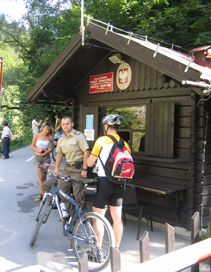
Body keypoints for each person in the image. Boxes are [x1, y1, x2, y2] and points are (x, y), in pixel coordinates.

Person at [87, 114, 132, 250]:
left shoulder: (101, 141)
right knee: (117, 218)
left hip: (104, 182)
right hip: (119, 183)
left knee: (98, 218)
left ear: (106, 127)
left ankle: (98, 249)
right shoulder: (124, 143)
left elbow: (90, 163)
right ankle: (116, 248)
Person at [53, 116, 90, 214]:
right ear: (61, 125)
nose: (65, 126)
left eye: (67, 124)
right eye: (63, 124)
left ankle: (79, 216)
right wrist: (56, 168)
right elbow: (59, 154)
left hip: (78, 168)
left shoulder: (78, 136)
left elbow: (86, 151)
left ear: (72, 124)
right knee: (62, 190)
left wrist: (85, 169)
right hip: (67, 168)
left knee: (77, 193)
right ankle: (70, 212)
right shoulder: (61, 138)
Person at [31, 122, 54, 201]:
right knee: (40, 177)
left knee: (44, 176)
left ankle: (43, 192)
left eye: (49, 130)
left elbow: (51, 148)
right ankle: (43, 194)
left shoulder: (50, 137)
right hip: (37, 158)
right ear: (42, 128)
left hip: (46, 158)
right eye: (46, 129)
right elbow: (32, 146)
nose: (47, 131)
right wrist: (38, 150)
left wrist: (46, 152)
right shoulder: (37, 135)